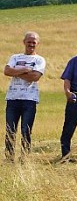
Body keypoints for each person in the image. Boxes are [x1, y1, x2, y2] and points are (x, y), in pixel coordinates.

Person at [4, 31, 46, 159]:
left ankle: (24, 158)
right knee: (10, 130)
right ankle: (9, 157)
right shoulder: (15, 57)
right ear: (24, 42)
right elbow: (6, 71)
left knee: (26, 130)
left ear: (37, 43)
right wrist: (25, 70)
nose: (31, 44)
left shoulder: (39, 60)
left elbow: (35, 77)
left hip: (29, 99)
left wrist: (16, 71)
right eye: (29, 42)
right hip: (13, 98)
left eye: (34, 42)